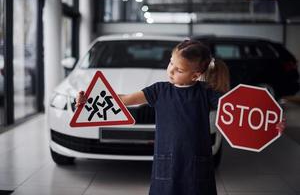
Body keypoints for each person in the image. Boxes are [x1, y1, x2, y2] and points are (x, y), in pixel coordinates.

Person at [75, 40, 285, 195]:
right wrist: (89, 101)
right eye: (170, 64)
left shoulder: (206, 93)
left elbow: (242, 112)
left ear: (195, 75)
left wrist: (272, 122)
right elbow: (126, 99)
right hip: (166, 165)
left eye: (179, 69)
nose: (171, 71)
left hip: (197, 167)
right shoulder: (159, 90)